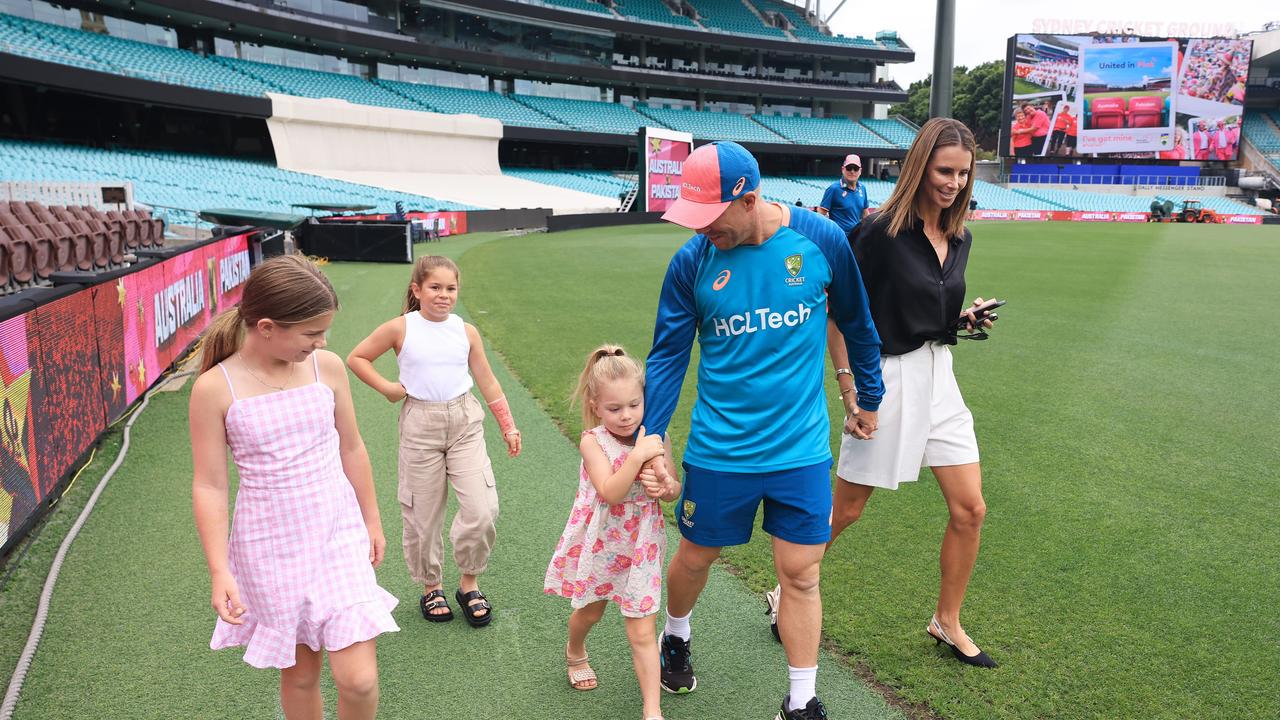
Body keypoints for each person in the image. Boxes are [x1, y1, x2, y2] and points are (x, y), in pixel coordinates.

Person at [643, 140, 884, 720]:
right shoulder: (692, 261)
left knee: (801, 574)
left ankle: (801, 701)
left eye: (711, 218)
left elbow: (856, 320)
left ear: (749, 199)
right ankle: (676, 632)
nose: (703, 231)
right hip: (719, 449)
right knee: (697, 556)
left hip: (799, 449)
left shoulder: (822, 241)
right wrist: (651, 438)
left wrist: (868, 396)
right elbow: (668, 355)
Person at [778, 117, 1000, 669]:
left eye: (962, 174)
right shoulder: (879, 234)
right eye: (944, 170)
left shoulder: (961, 236)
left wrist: (962, 318)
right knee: (847, 509)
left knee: (970, 509)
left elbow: (928, 307)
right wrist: (851, 394)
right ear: (920, 166)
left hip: (939, 375)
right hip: (886, 378)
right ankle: (786, 591)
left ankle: (946, 621)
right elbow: (839, 313)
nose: (952, 182)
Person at [190, 255, 399, 719]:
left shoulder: (327, 368)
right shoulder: (214, 389)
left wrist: (372, 519)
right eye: (311, 333)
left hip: (337, 532)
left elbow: (352, 449)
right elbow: (210, 486)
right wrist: (219, 570)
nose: (322, 342)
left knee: (359, 680)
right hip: (270, 546)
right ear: (266, 327)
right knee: (301, 675)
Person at [347, 255, 522, 628]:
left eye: (451, 288)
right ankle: (431, 586)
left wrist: (508, 425)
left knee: (482, 509)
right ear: (417, 290)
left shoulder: (466, 331)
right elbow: (357, 357)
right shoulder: (400, 328)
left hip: (464, 422)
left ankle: (469, 583)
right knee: (423, 516)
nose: (444, 295)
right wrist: (388, 388)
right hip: (420, 425)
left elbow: (487, 380)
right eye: (435, 287)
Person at [543, 345, 681, 720]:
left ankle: (652, 710)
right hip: (603, 542)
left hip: (641, 546)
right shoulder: (593, 441)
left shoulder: (656, 438)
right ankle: (575, 650)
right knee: (590, 612)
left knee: (641, 628)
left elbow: (672, 489)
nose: (626, 416)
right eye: (614, 409)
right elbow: (610, 491)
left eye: (634, 405)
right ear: (595, 405)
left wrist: (666, 486)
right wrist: (637, 457)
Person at [818, 153, 871, 239]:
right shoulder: (833, 189)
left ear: (860, 171)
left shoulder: (862, 188)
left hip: (856, 238)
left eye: (856, 168)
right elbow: (821, 214)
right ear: (843, 169)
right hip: (839, 238)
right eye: (849, 168)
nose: (852, 171)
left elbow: (865, 214)